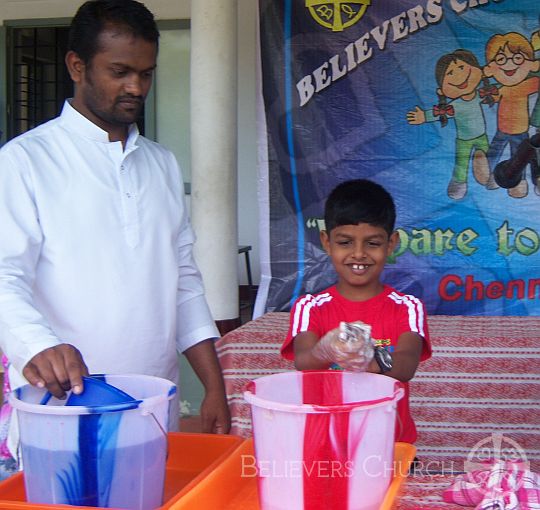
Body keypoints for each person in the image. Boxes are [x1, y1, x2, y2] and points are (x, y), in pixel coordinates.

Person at [0, 0, 230, 475]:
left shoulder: (161, 164)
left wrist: (212, 386)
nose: (136, 88)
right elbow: (5, 276)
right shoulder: (25, 162)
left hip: (152, 411)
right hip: (61, 414)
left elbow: (183, 281)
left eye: (146, 73)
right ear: (77, 66)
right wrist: (38, 344)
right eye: (120, 71)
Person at [281, 179, 431, 444]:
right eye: (346, 242)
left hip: (390, 445)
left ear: (391, 243)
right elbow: (303, 361)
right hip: (324, 442)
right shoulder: (309, 307)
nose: (359, 254)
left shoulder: (407, 307)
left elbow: (407, 363)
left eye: (372, 243)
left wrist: (373, 359)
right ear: (327, 242)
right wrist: (326, 350)